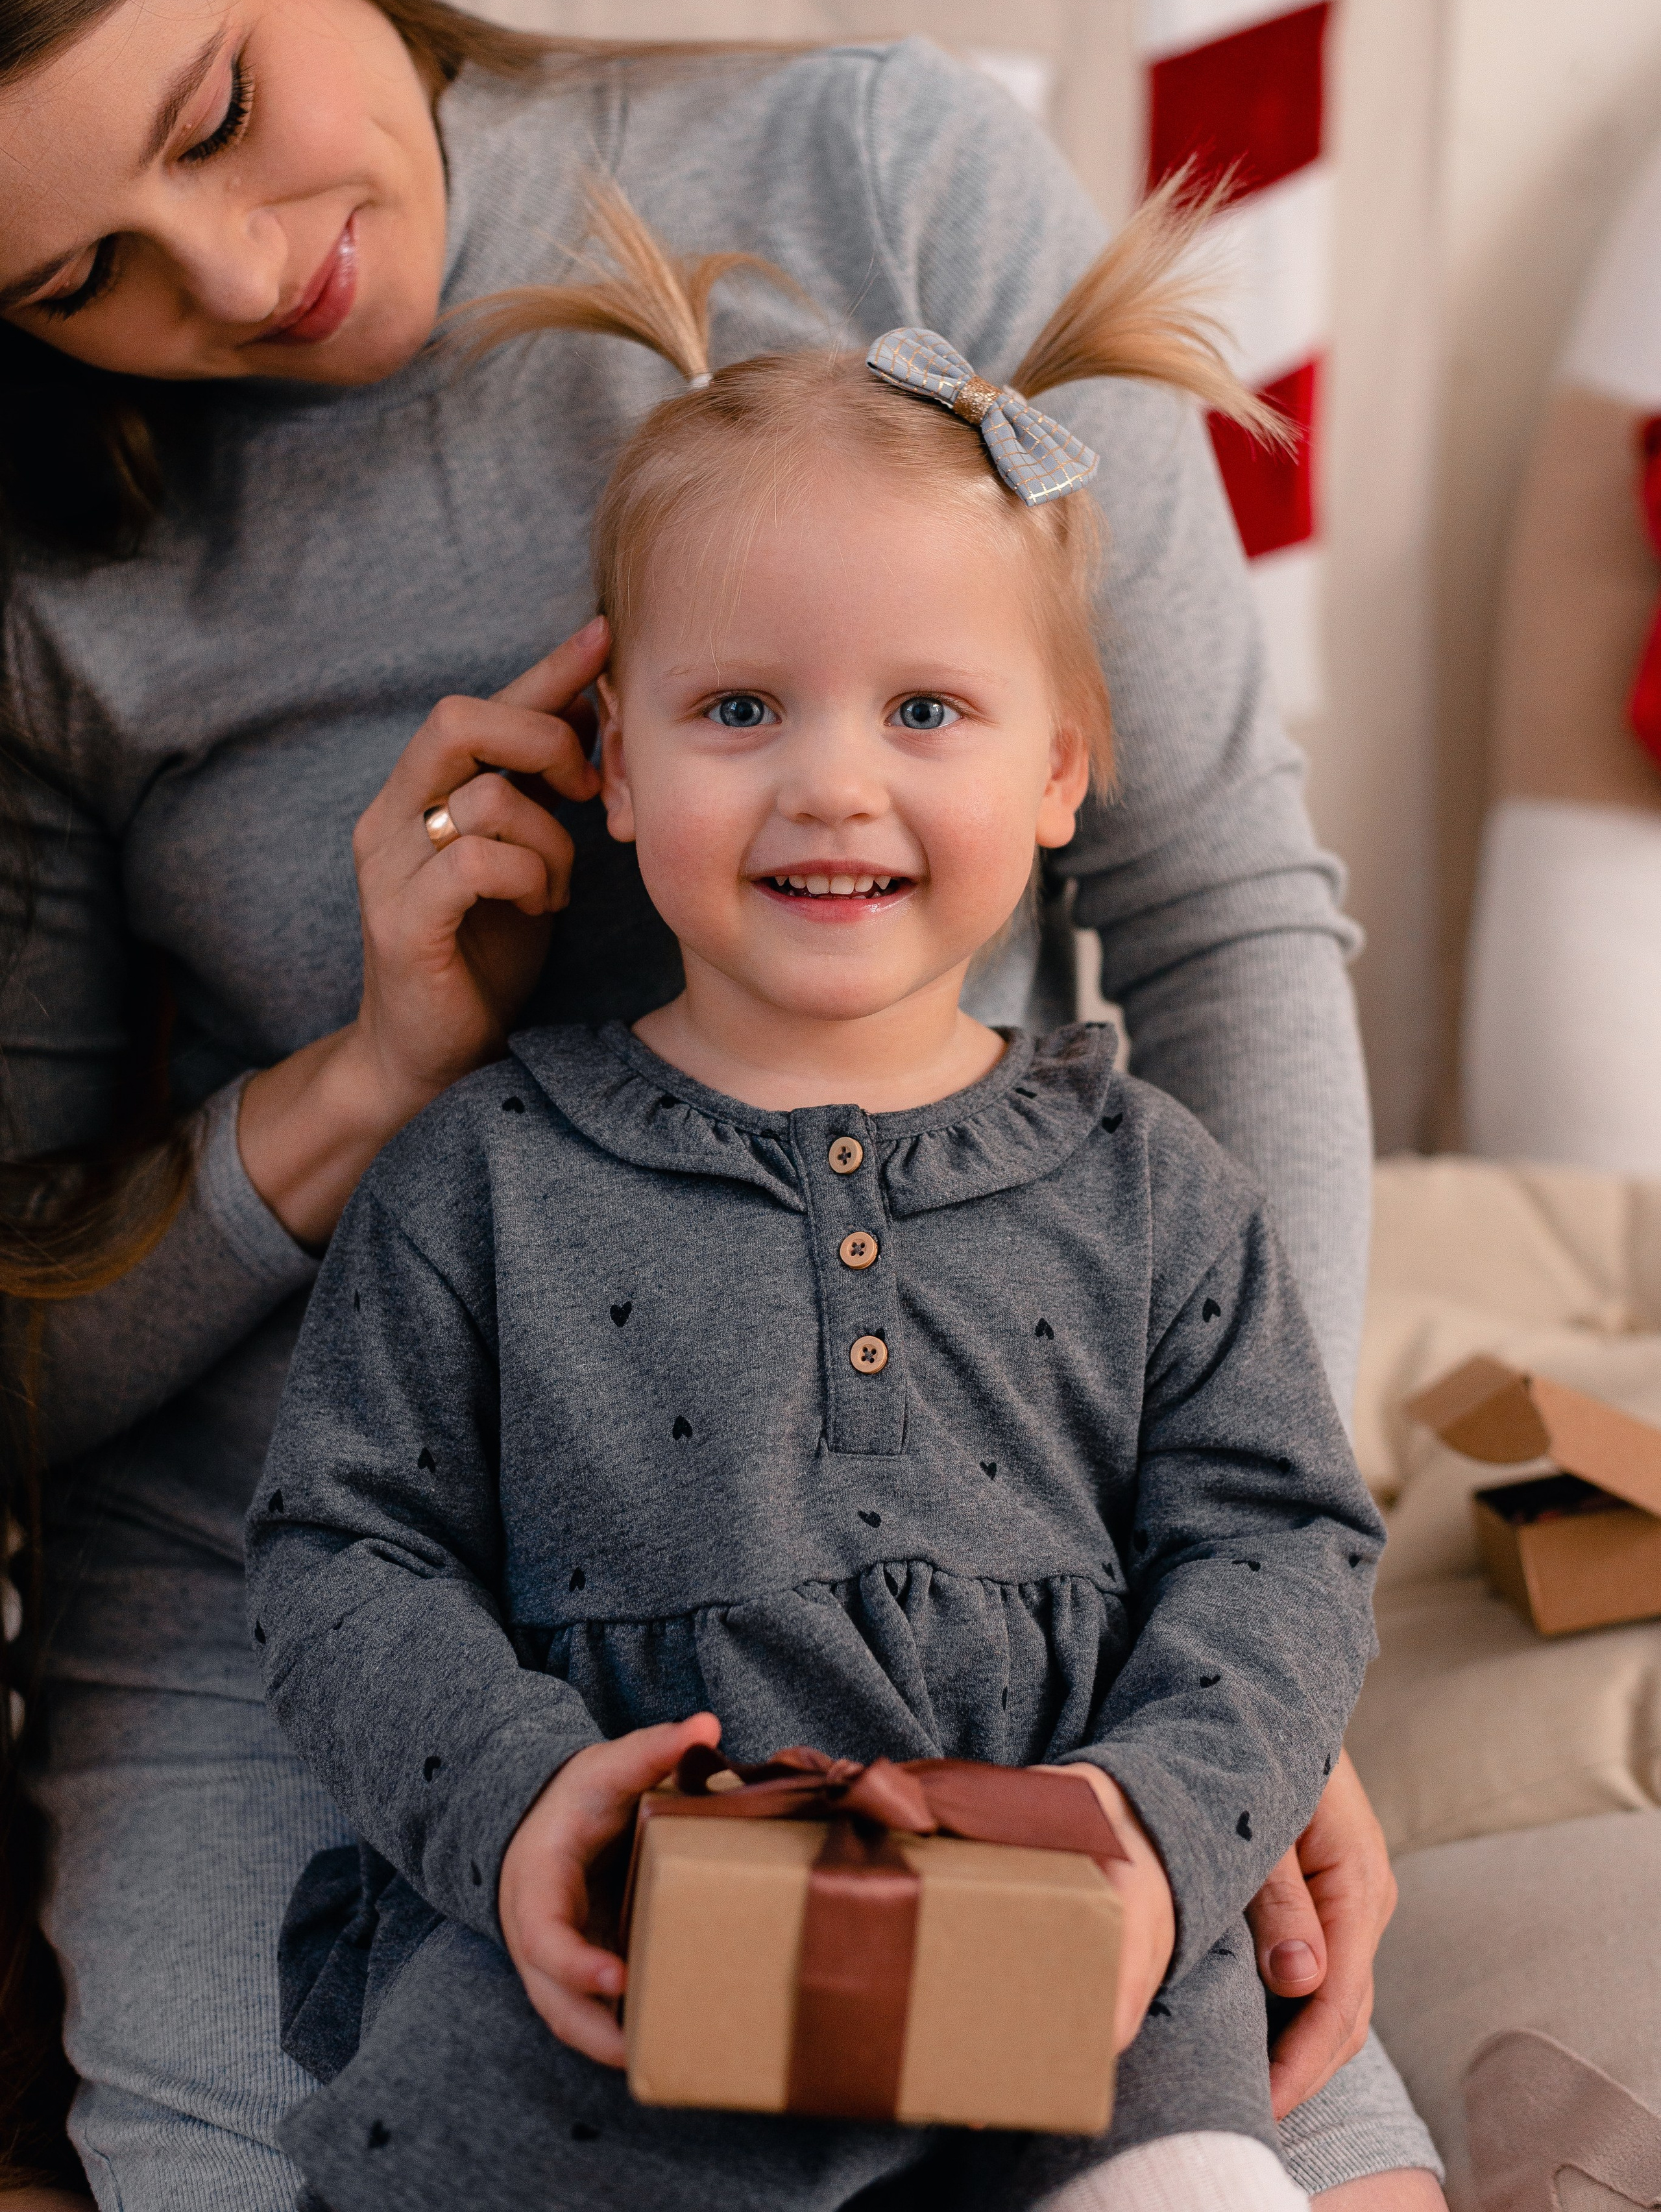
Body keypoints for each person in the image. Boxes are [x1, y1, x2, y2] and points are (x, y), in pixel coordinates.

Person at [0, 0, 1442, 2206]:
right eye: (73, 279)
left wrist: (1246, 1694)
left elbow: (1219, 916)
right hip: (335, 1624)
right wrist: (360, 1085)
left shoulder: (870, 176)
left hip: (992, 1548)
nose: (235, 276)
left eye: (221, 108)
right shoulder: (47, 556)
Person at [245, 188, 1388, 2212]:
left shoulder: (1155, 1187)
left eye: (925, 710)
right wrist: (513, 1803)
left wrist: (1167, 1827)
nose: (831, 785)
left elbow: (1283, 1545)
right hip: (610, 1969)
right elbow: (340, 1551)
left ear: (1063, 770)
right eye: (741, 708)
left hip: (1075, 1975)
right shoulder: (480, 1175)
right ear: (613, 760)